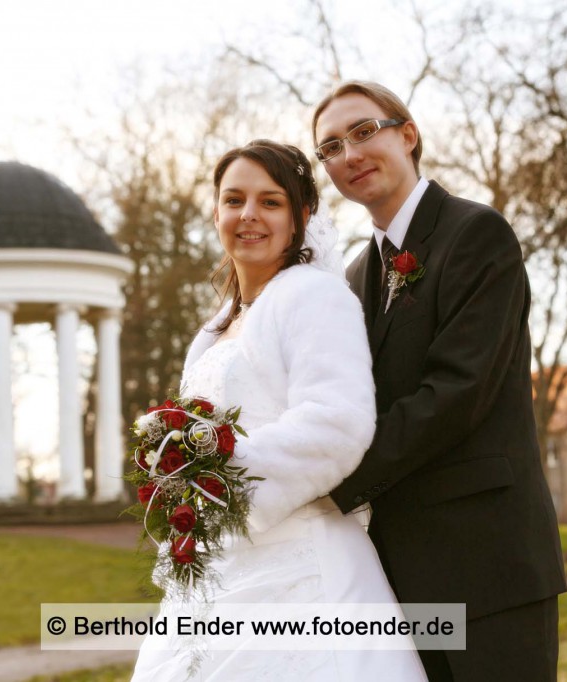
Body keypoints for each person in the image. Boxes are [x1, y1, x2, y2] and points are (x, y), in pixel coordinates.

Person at [130, 140, 427, 681]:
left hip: (302, 569)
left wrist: (221, 480)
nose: (249, 215)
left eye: (270, 202)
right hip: (219, 573)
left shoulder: (315, 297)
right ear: (215, 211)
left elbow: (337, 423)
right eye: (234, 199)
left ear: (301, 215)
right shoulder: (214, 329)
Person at [314, 81, 567, 681]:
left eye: (362, 131)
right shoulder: (353, 278)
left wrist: (326, 484)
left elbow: (457, 393)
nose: (349, 154)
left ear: (408, 134)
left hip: (487, 561)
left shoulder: (476, 234)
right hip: (397, 570)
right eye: (329, 147)